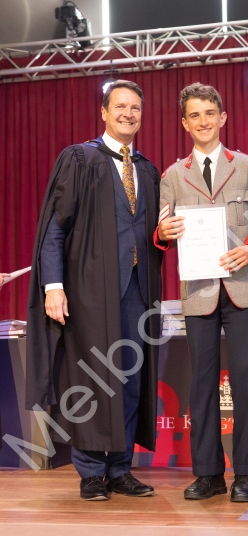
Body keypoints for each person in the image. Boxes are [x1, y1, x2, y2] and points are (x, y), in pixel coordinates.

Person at [26, 80, 163, 501]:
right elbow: (54, 229)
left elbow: (151, 232)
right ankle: (89, 471)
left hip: (139, 291)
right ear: (104, 112)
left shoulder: (147, 170)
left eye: (135, 107)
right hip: (88, 291)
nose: (128, 113)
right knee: (90, 378)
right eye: (119, 106)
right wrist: (53, 285)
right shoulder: (80, 158)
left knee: (130, 379)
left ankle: (120, 469)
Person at [154, 83, 248, 502]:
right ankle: (207, 474)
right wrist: (163, 231)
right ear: (184, 123)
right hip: (199, 291)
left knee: (246, 381)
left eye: (210, 113)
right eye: (195, 115)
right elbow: (161, 231)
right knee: (202, 383)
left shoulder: (247, 166)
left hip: (242, 288)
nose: (203, 121)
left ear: (222, 118)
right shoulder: (172, 176)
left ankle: (246, 473)